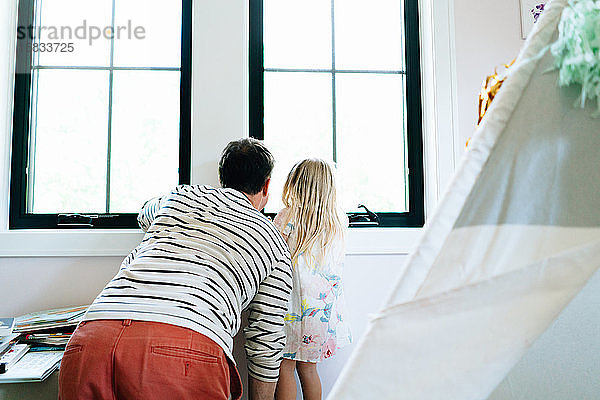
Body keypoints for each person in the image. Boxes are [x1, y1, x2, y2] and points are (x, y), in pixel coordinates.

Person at [58, 138, 293, 400]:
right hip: (182, 344)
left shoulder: (180, 197)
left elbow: (145, 213)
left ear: (222, 177)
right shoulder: (273, 241)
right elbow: (266, 340)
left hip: (93, 336)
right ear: (267, 185)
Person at [272, 159, 352, 400]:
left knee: (284, 367)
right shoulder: (337, 221)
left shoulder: (287, 217)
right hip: (321, 314)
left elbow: (274, 255)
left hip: (291, 309)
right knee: (309, 369)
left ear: (296, 185)